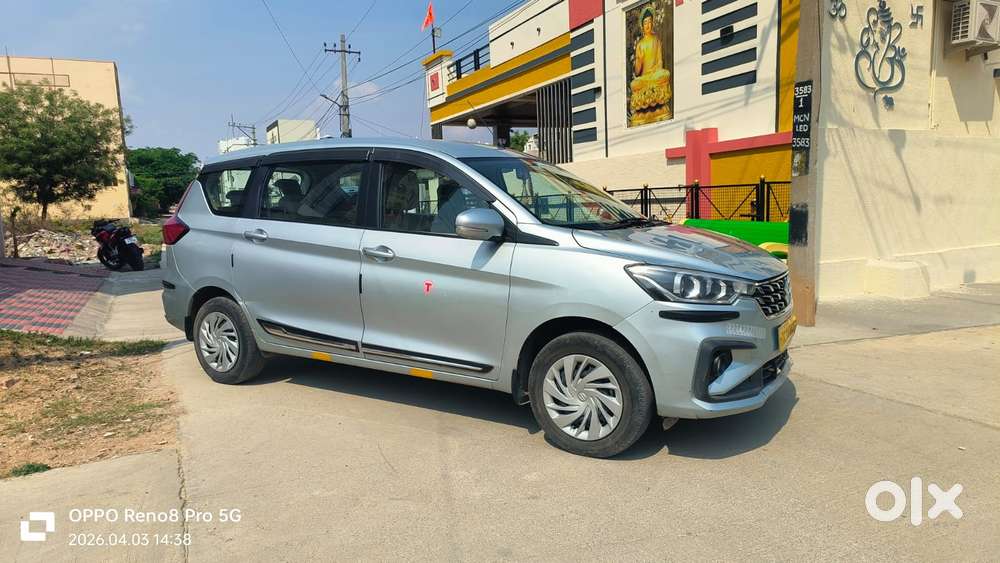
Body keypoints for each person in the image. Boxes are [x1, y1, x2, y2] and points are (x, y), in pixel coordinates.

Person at [629, 5, 672, 126]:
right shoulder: (640, 45)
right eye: (645, 23)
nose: (647, 25)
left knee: (665, 74)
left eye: (649, 22)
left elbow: (659, 61)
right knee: (634, 84)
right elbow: (638, 72)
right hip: (644, 79)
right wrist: (639, 59)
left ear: (652, 23)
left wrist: (656, 70)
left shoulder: (656, 41)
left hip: (655, 76)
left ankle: (657, 108)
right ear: (642, 26)